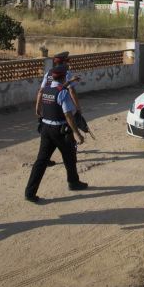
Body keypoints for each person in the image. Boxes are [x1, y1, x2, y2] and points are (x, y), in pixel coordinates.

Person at [25, 66, 88, 202]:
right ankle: (73, 182)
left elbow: (59, 88)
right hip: (59, 131)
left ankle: (29, 192)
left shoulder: (47, 89)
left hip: (45, 129)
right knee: (70, 157)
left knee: (41, 161)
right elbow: (68, 115)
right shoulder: (63, 93)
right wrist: (78, 133)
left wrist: (69, 81)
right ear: (63, 77)